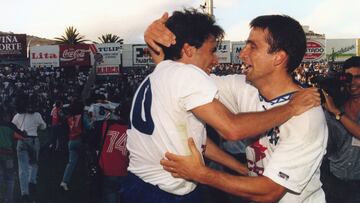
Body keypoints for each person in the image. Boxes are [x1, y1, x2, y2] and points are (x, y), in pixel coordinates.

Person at [125, 9, 321, 203]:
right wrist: (154, 37)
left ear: (278, 57)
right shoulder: (238, 87)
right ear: (188, 50)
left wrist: (206, 173)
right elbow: (230, 127)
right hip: (164, 191)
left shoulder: (307, 116)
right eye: (212, 51)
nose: (242, 54)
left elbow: (269, 192)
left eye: (252, 47)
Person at [321, 56, 360, 203]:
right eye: (349, 77)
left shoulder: (335, 110)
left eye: (358, 77)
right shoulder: (333, 107)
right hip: (335, 184)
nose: (352, 83)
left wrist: (338, 113)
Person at [12, 95, 46, 201]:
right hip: (33, 140)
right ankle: (32, 181)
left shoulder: (17, 116)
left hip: (22, 141)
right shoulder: (37, 115)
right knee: (34, 163)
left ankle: (24, 193)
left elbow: (12, 127)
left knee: (23, 168)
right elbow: (43, 126)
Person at [97, 104, 130, 203]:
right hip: (124, 170)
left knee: (110, 194)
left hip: (107, 168)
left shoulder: (107, 125)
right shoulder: (132, 131)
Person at [0, 106, 26, 203]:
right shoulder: (10, 126)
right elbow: (22, 137)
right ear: (5, 115)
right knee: (10, 178)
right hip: (8, 156)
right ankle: (9, 200)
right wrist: (24, 133)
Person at [60, 99, 84, 191]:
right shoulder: (82, 116)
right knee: (85, 160)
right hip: (80, 140)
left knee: (71, 163)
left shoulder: (69, 117)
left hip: (71, 140)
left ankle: (64, 182)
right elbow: (89, 126)